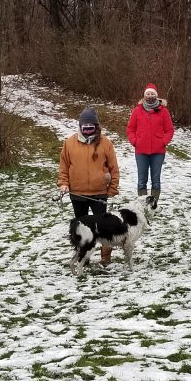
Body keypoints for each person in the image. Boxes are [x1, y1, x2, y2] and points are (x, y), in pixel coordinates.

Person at [59, 106, 120, 266]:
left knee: (103, 229)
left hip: (99, 193)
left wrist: (112, 188)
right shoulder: (69, 143)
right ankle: (82, 257)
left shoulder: (105, 143)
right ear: (80, 126)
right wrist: (64, 183)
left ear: (96, 127)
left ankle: (105, 257)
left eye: (90, 127)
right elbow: (64, 166)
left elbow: (114, 167)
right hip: (77, 193)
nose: (87, 130)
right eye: (84, 127)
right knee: (81, 229)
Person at [125, 83, 174, 203]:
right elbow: (130, 129)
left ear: (157, 96)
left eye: (152, 94)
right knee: (142, 180)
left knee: (156, 179)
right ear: (144, 96)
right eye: (148, 94)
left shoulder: (163, 111)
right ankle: (142, 204)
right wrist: (134, 141)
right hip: (141, 151)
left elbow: (169, 130)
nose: (150, 96)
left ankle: (153, 204)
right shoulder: (137, 111)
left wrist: (164, 141)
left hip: (158, 152)